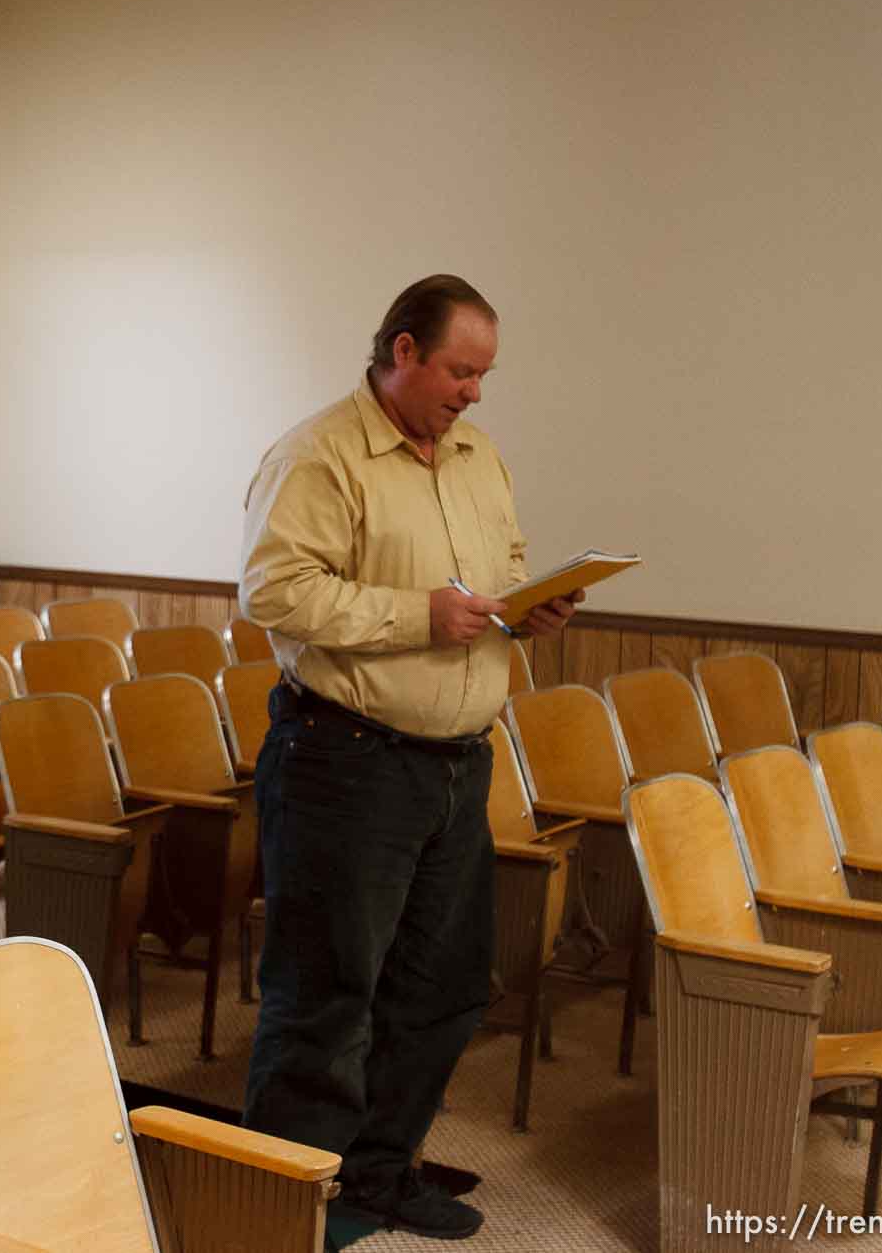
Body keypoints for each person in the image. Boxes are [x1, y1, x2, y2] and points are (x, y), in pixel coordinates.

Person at [238, 275, 580, 1240]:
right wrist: (416, 614)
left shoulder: (477, 455)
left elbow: (501, 572)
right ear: (401, 353)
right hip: (344, 759)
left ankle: (380, 1175)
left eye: (484, 375)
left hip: (456, 763)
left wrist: (531, 604)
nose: (474, 393)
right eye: (460, 371)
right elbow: (273, 594)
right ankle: (284, 1206)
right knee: (327, 994)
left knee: (443, 984)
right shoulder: (319, 454)